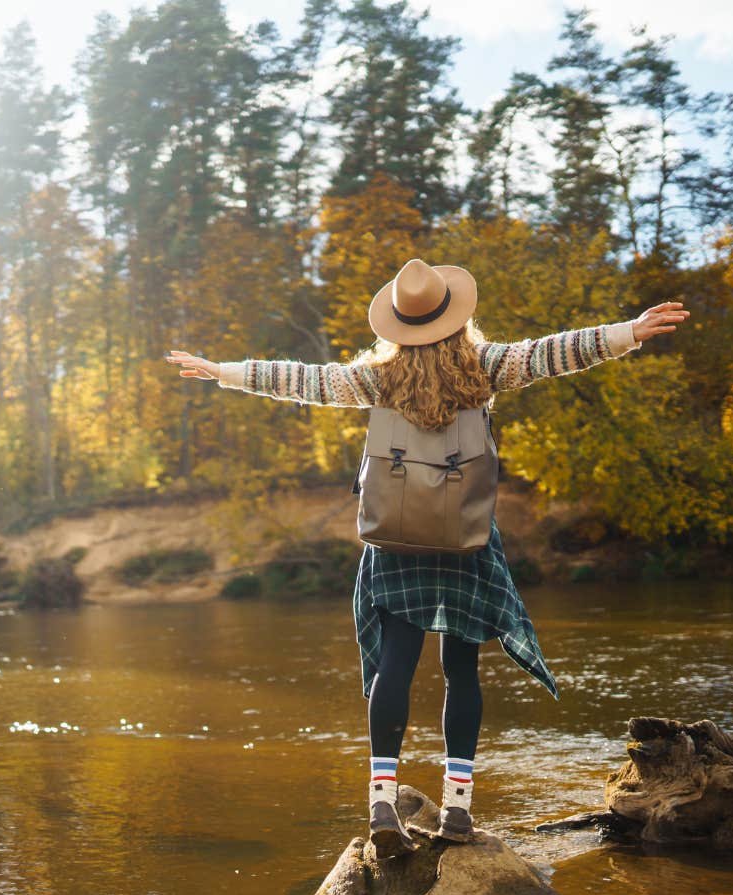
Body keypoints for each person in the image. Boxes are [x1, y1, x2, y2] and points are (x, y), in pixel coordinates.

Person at [166, 257, 689, 858]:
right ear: (455, 315)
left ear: (398, 323)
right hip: (464, 536)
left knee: (395, 666)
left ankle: (381, 803)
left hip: (394, 538)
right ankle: (459, 812)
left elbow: (300, 379)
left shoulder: (376, 379)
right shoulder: (485, 367)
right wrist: (629, 330)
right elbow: (556, 352)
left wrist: (222, 371)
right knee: (461, 669)